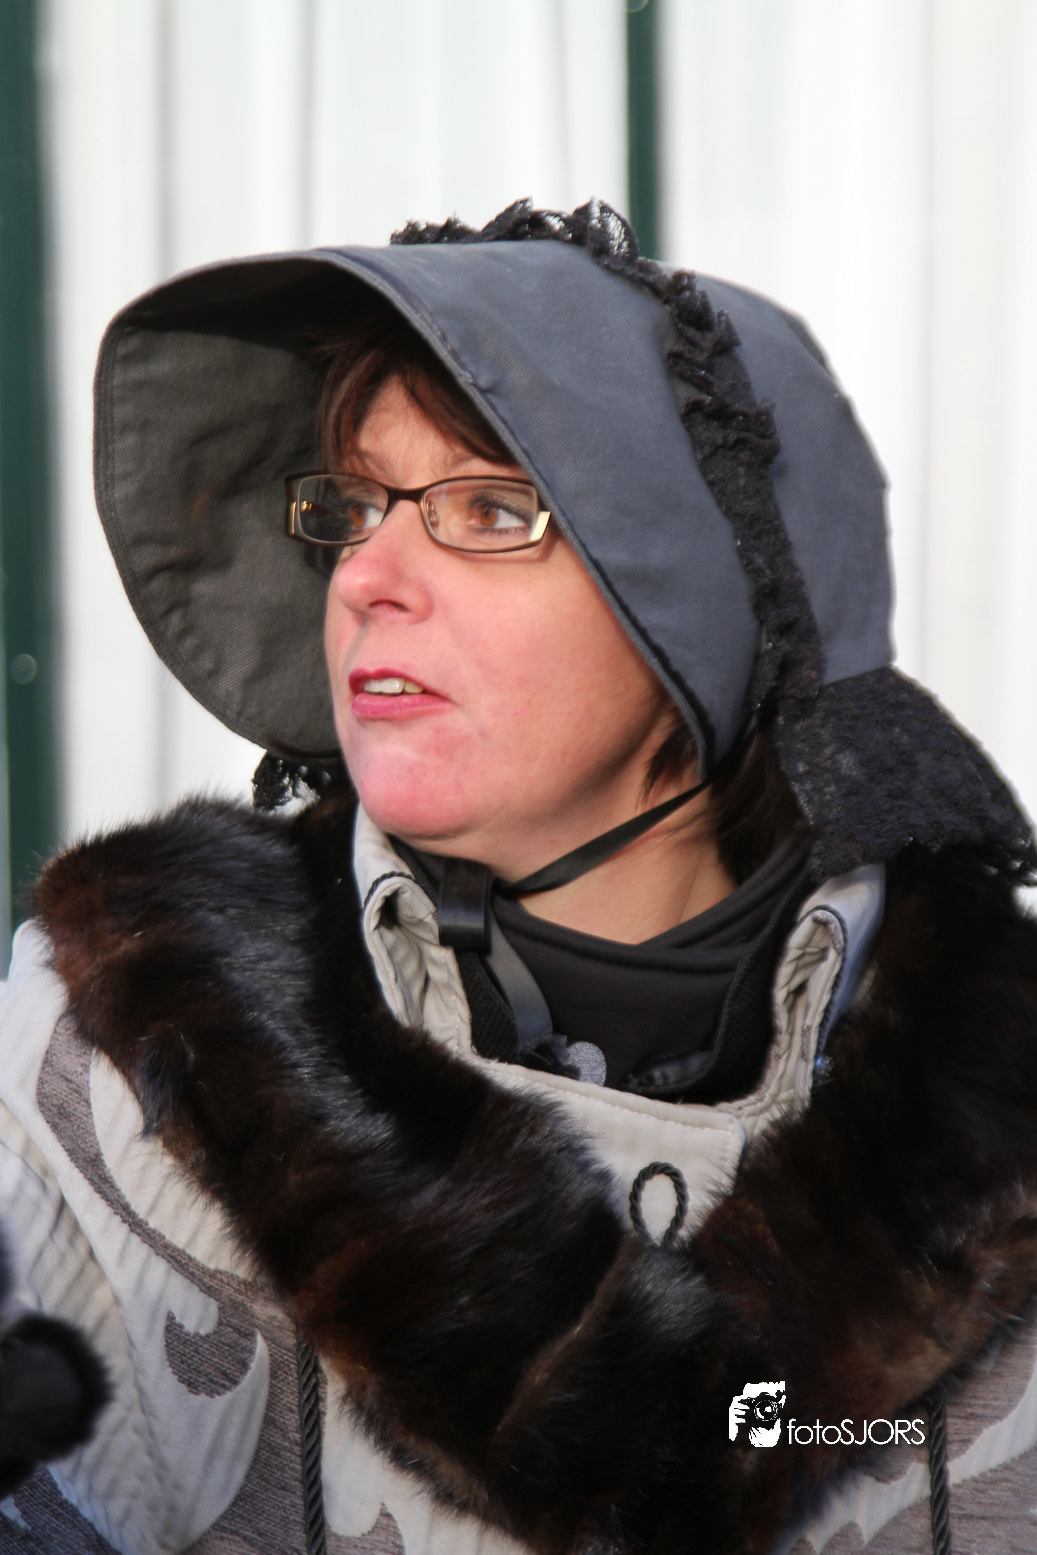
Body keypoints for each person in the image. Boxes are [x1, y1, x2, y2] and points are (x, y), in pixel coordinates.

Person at [1, 199, 1036, 1555]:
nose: (365, 576)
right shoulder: (109, 1056)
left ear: (727, 596)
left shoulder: (1004, 1099)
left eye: (489, 509)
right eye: (354, 508)